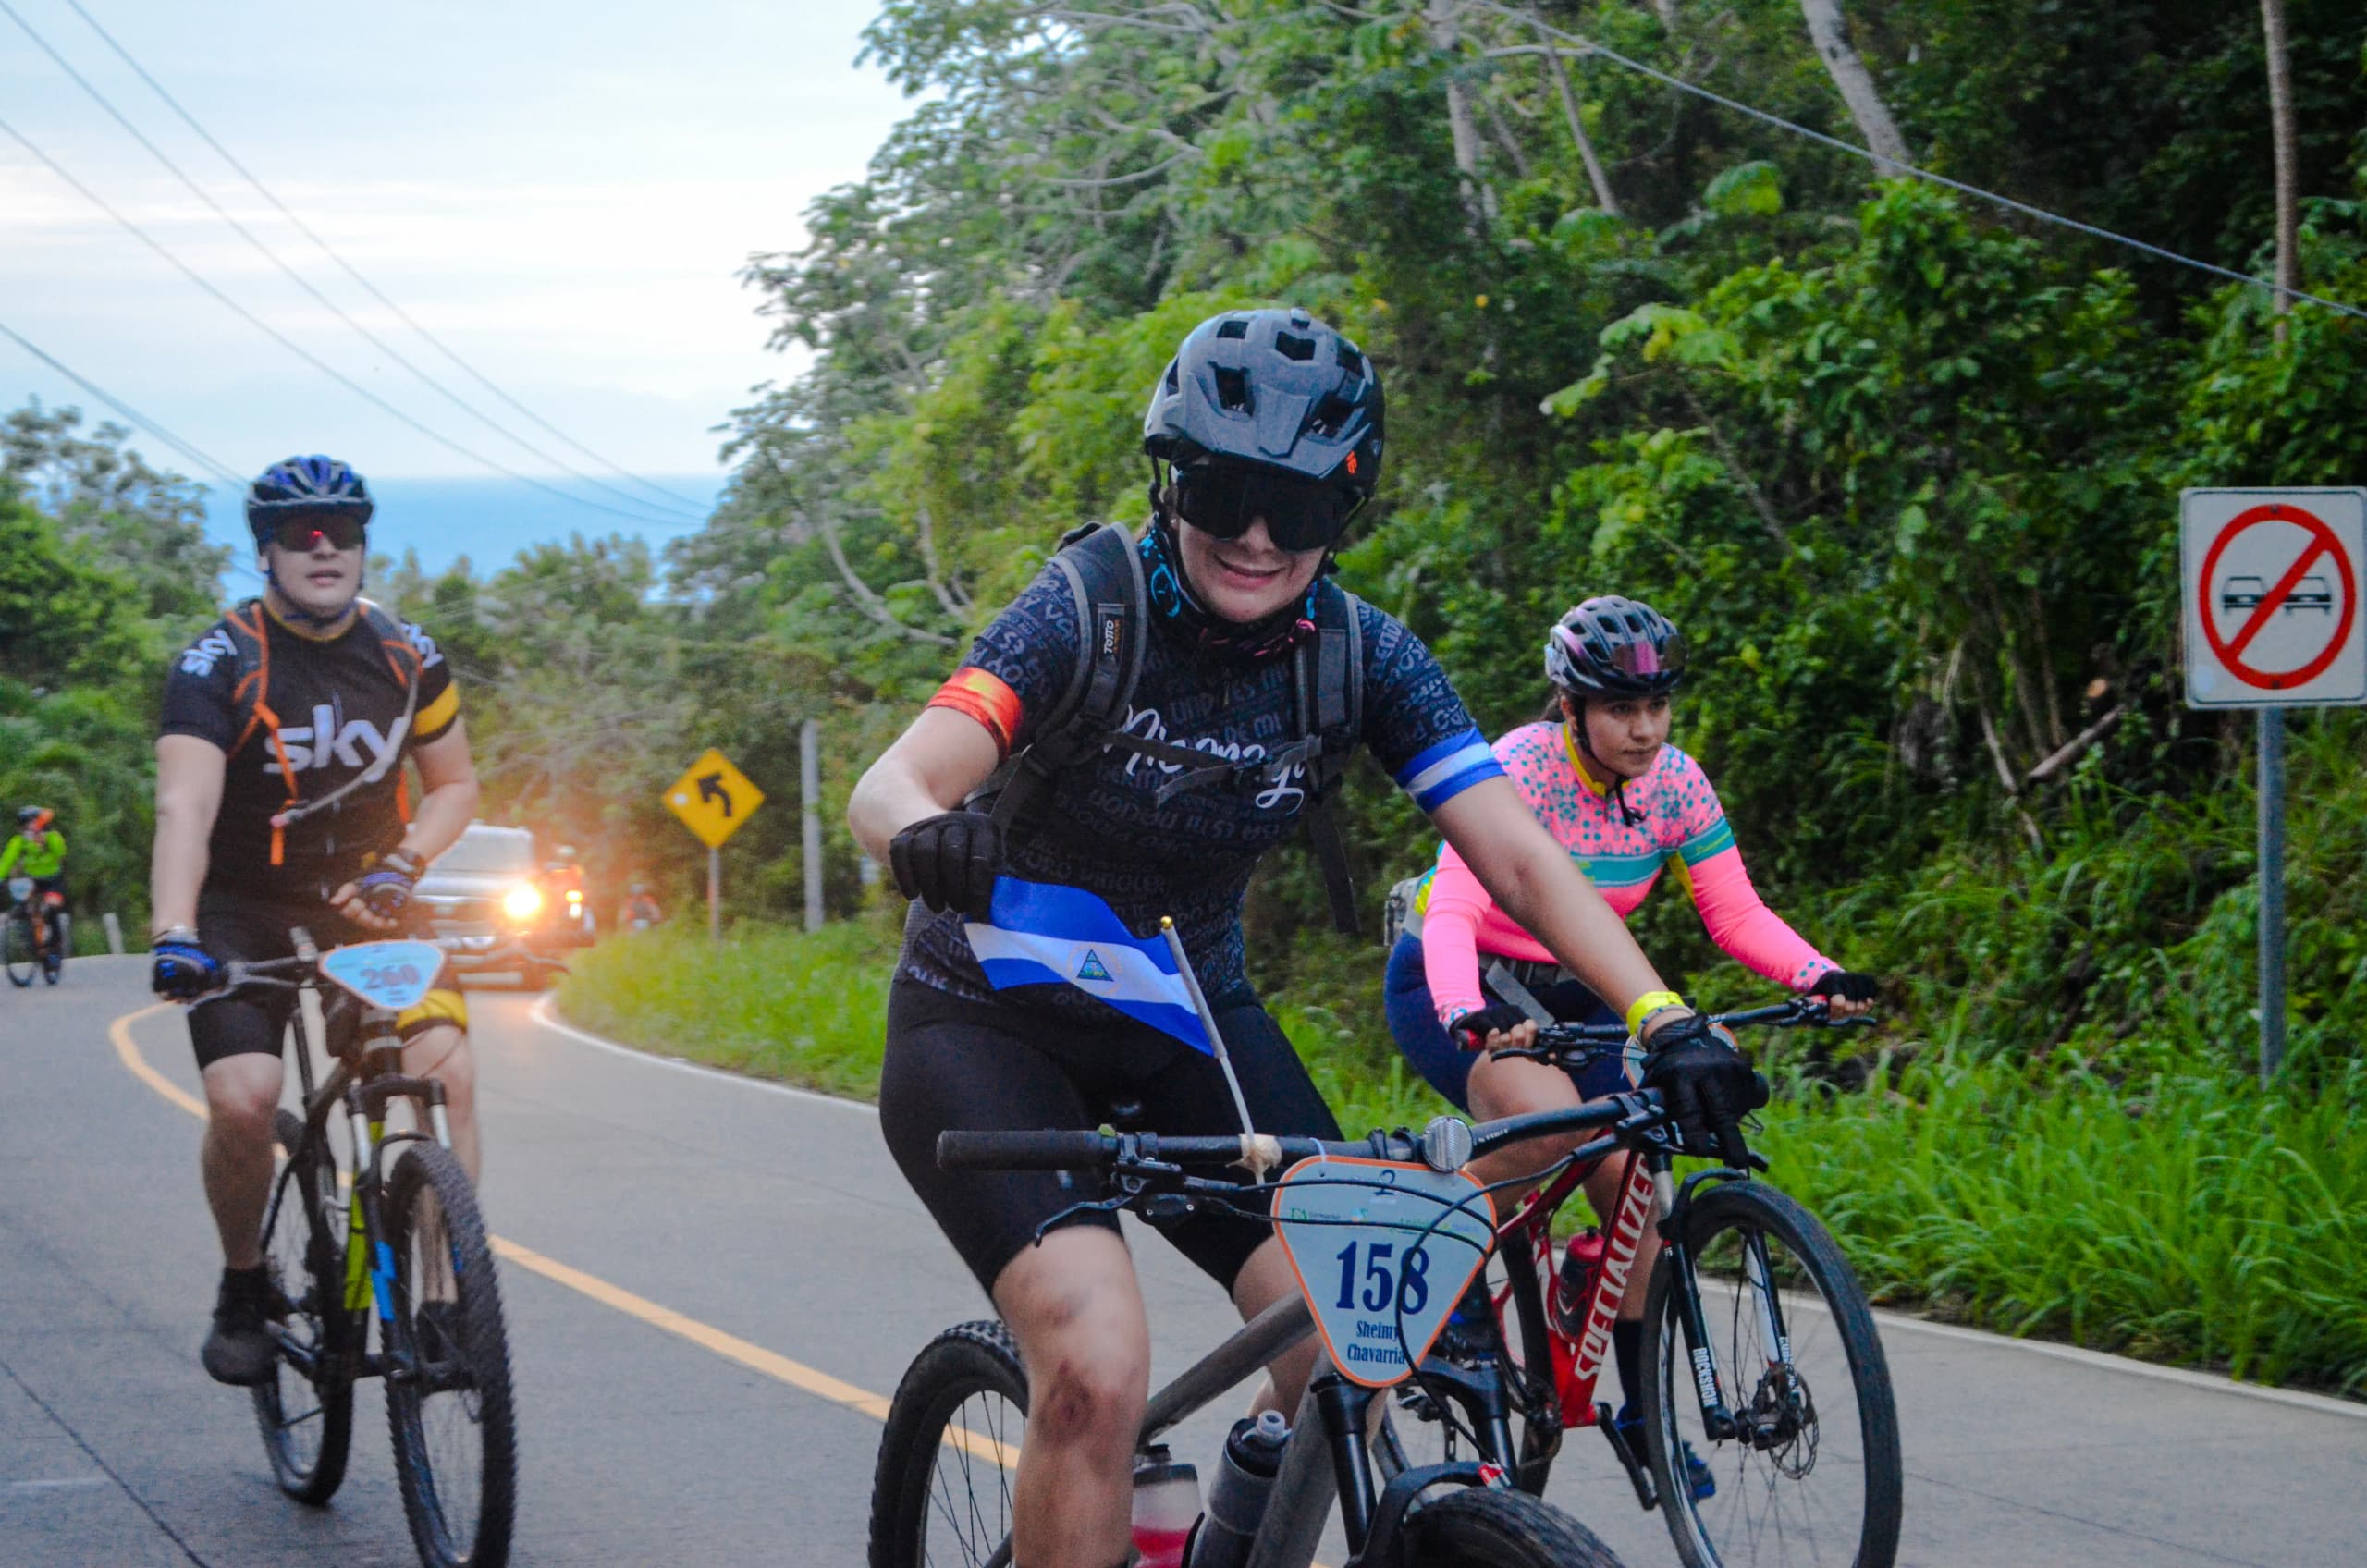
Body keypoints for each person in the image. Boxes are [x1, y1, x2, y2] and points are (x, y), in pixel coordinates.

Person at [848, 308, 1761, 1568]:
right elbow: (892, 781)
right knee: (1099, 1370)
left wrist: (1665, 1019)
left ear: (1348, 508)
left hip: (1185, 1020)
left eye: (1301, 507)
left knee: (1351, 1334)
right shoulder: (1089, 610)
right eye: (1226, 493)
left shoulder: (1362, 656)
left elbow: (1518, 855)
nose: (1260, 538)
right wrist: (919, 835)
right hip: (985, 1022)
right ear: (1173, 479)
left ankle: (1219, 1533)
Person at [1383, 594, 1876, 1486]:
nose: (1644, 729)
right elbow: (1454, 907)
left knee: (1641, 1191)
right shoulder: (1518, 769)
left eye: (1656, 707)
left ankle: (1646, 1413)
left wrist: (1820, 975)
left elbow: (1735, 912)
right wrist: (1466, 1010)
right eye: (1620, 709)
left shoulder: (1676, 782)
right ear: (1570, 705)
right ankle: (1448, 1290)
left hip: (1580, 990)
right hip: (1458, 976)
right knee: (1550, 1127)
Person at [147, 455, 484, 1387]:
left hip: (369, 900)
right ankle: (245, 1282)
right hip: (240, 906)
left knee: (444, 1073)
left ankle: (445, 1299)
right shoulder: (218, 663)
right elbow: (185, 807)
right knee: (244, 1097)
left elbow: (455, 785)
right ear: (266, 551)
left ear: (364, 543)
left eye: (343, 526)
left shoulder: (409, 654)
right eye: (301, 531)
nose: (324, 542)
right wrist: (174, 929)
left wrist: (405, 860)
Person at [0, 805, 68, 976]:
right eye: (26, 824)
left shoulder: (52, 836)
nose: (30, 828)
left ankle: (54, 948)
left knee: (51, 908)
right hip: (33, 880)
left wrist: (45, 840)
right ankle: (30, 940)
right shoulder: (20, 841)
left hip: (53, 879)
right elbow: (7, 860)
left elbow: (61, 851)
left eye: (33, 823)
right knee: (23, 905)